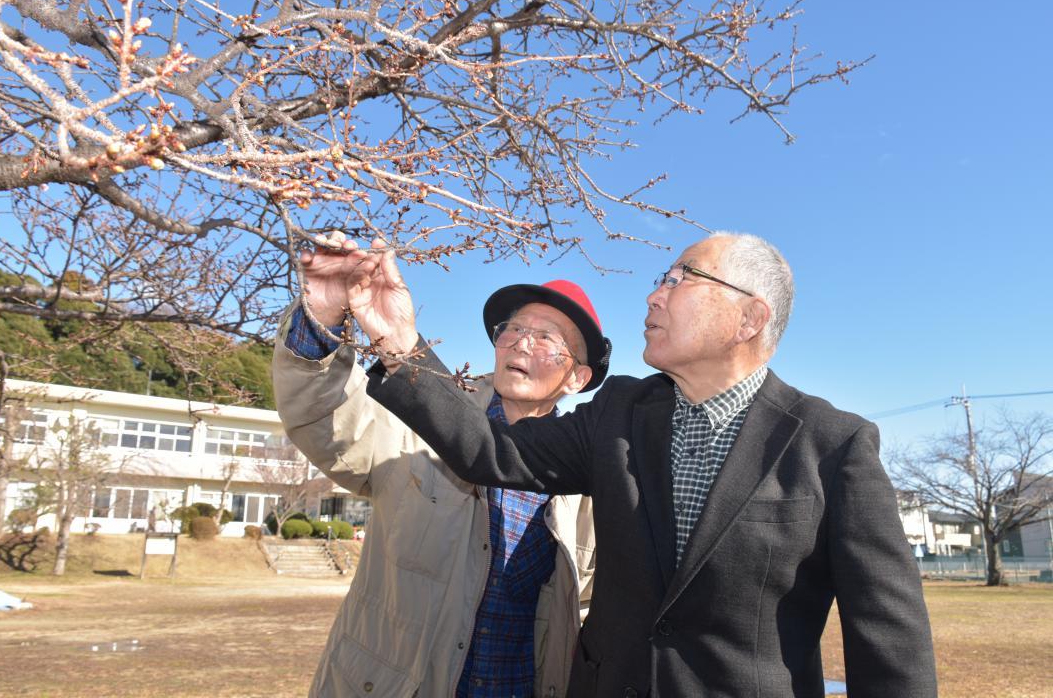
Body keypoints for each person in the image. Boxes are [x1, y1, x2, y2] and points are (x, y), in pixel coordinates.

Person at [346, 232, 938, 698]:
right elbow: (490, 450)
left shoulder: (834, 445)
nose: (655, 294)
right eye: (661, 279)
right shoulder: (620, 412)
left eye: (682, 279)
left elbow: (889, 642)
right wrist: (400, 345)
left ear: (750, 319)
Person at [271, 232, 610, 698]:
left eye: (547, 338)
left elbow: (588, 610)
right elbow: (328, 422)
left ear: (577, 377)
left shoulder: (586, 479)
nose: (521, 344)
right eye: (513, 329)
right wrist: (322, 318)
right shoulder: (421, 410)